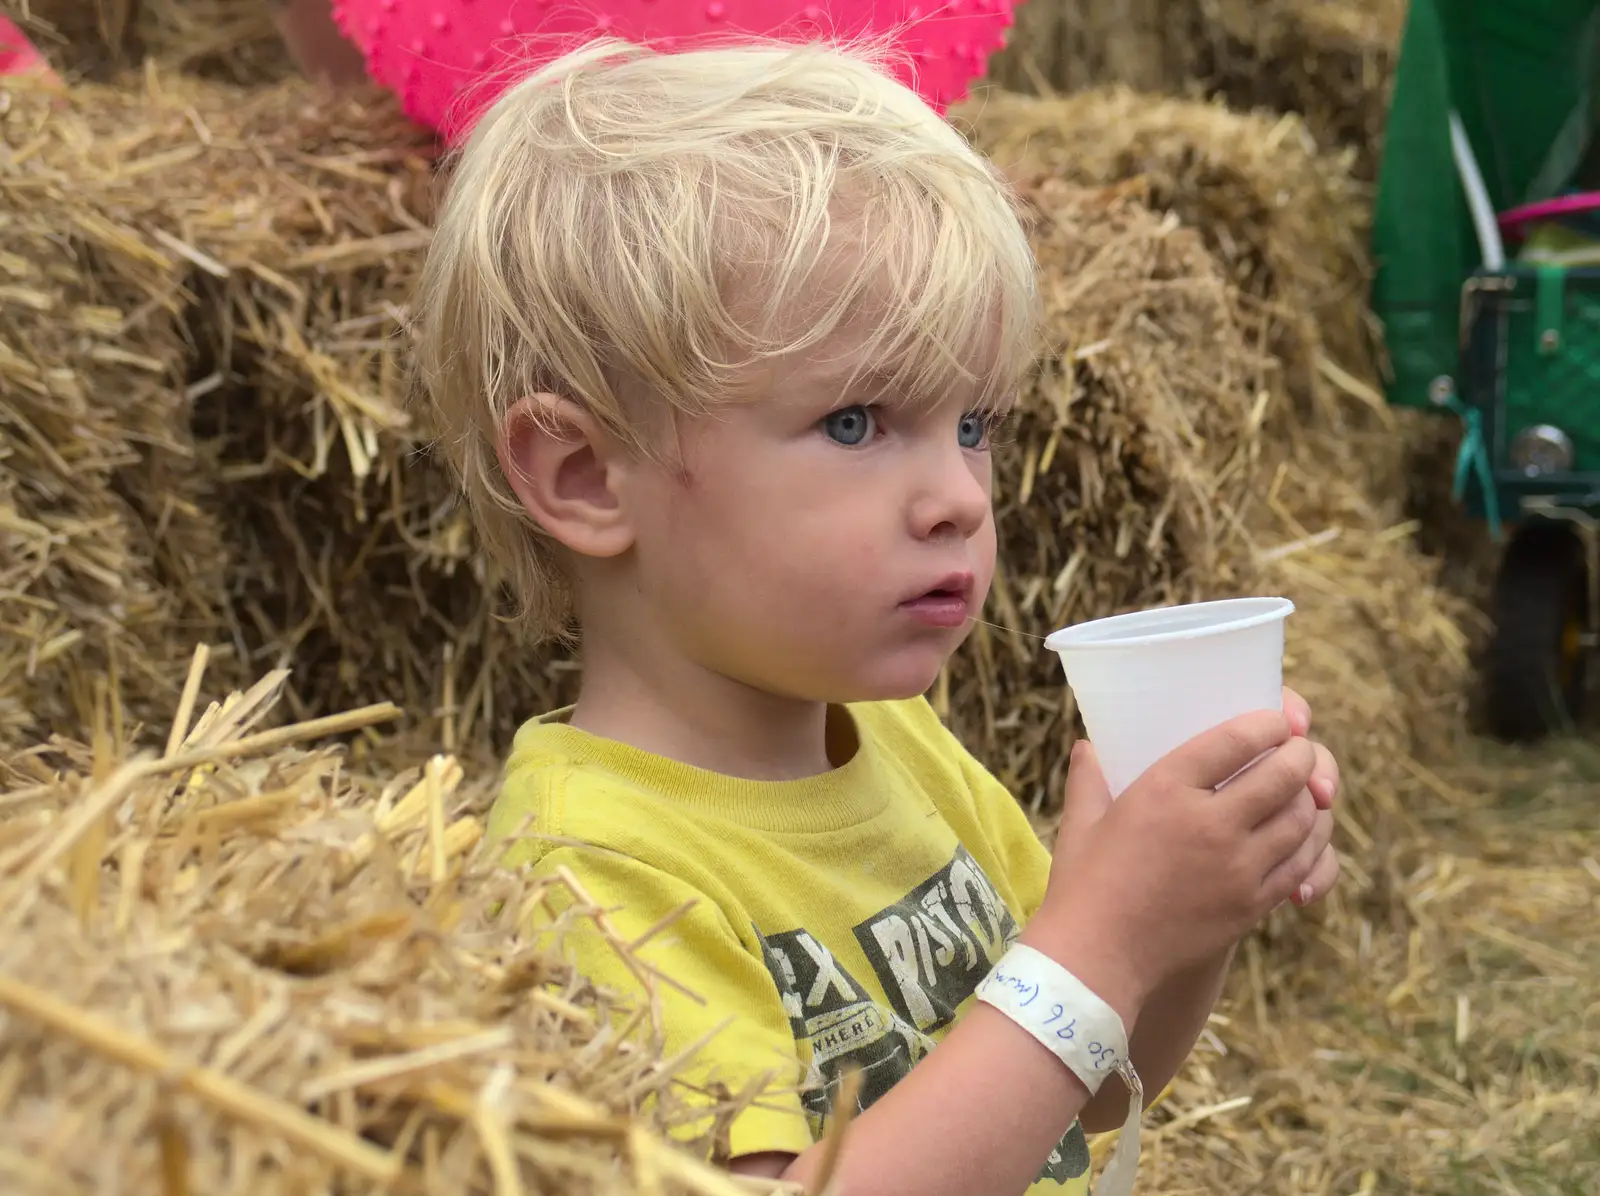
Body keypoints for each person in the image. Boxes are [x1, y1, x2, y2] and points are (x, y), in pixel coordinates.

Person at [412, 38, 1342, 1196]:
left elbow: (1086, 1089)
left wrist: (1188, 910)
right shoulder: (592, 867)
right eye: (855, 422)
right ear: (589, 476)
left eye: (972, 424)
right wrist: (1102, 935)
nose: (959, 495)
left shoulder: (896, 747)